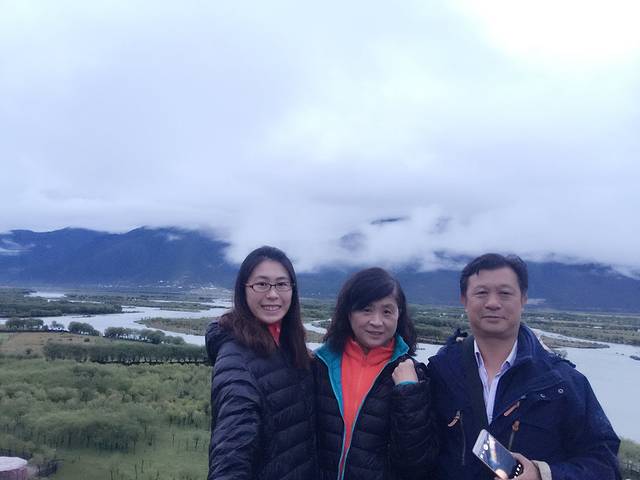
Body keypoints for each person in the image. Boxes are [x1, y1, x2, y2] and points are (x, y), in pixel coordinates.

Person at [427, 253, 621, 480]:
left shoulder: (561, 382)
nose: (492, 303)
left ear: (523, 299)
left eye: (505, 293)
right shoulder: (440, 372)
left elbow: (605, 463)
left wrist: (543, 474)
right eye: (481, 293)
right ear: (464, 299)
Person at [314, 267, 437, 480]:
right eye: (366, 309)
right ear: (348, 312)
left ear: (399, 315)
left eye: (387, 311)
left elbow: (417, 463)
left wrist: (408, 394)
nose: (377, 321)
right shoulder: (320, 364)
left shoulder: (413, 375)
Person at [205, 246, 316, 480]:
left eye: (281, 284)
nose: (273, 294)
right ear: (243, 289)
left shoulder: (289, 345)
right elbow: (231, 455)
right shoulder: (236, 360)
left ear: (292, 289)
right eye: (262, 284)